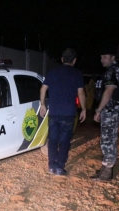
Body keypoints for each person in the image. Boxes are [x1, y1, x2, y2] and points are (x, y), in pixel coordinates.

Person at [39, 48, 86, 176]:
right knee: (65, 141)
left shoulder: (53, 72)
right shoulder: (77, 74)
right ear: (74, 61)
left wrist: (42, 104)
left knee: (53, 139)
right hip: (69, 113)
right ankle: (60, 167)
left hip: (54, 112)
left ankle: (51, 166)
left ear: (62, 59)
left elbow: (43, 88)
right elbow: (81, 92)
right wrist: (84, 109)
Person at [90, 46, 119, 181]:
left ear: (113, 57)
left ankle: (107, 172)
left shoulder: (113, 70)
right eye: (101, 57)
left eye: (105, 57)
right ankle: (106, 169)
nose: (102, 60)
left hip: (111, 110)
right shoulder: (114, 70)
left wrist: (98, 110)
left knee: (108, 141)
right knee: (108, 139)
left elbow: (108, 92)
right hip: (112, 109)